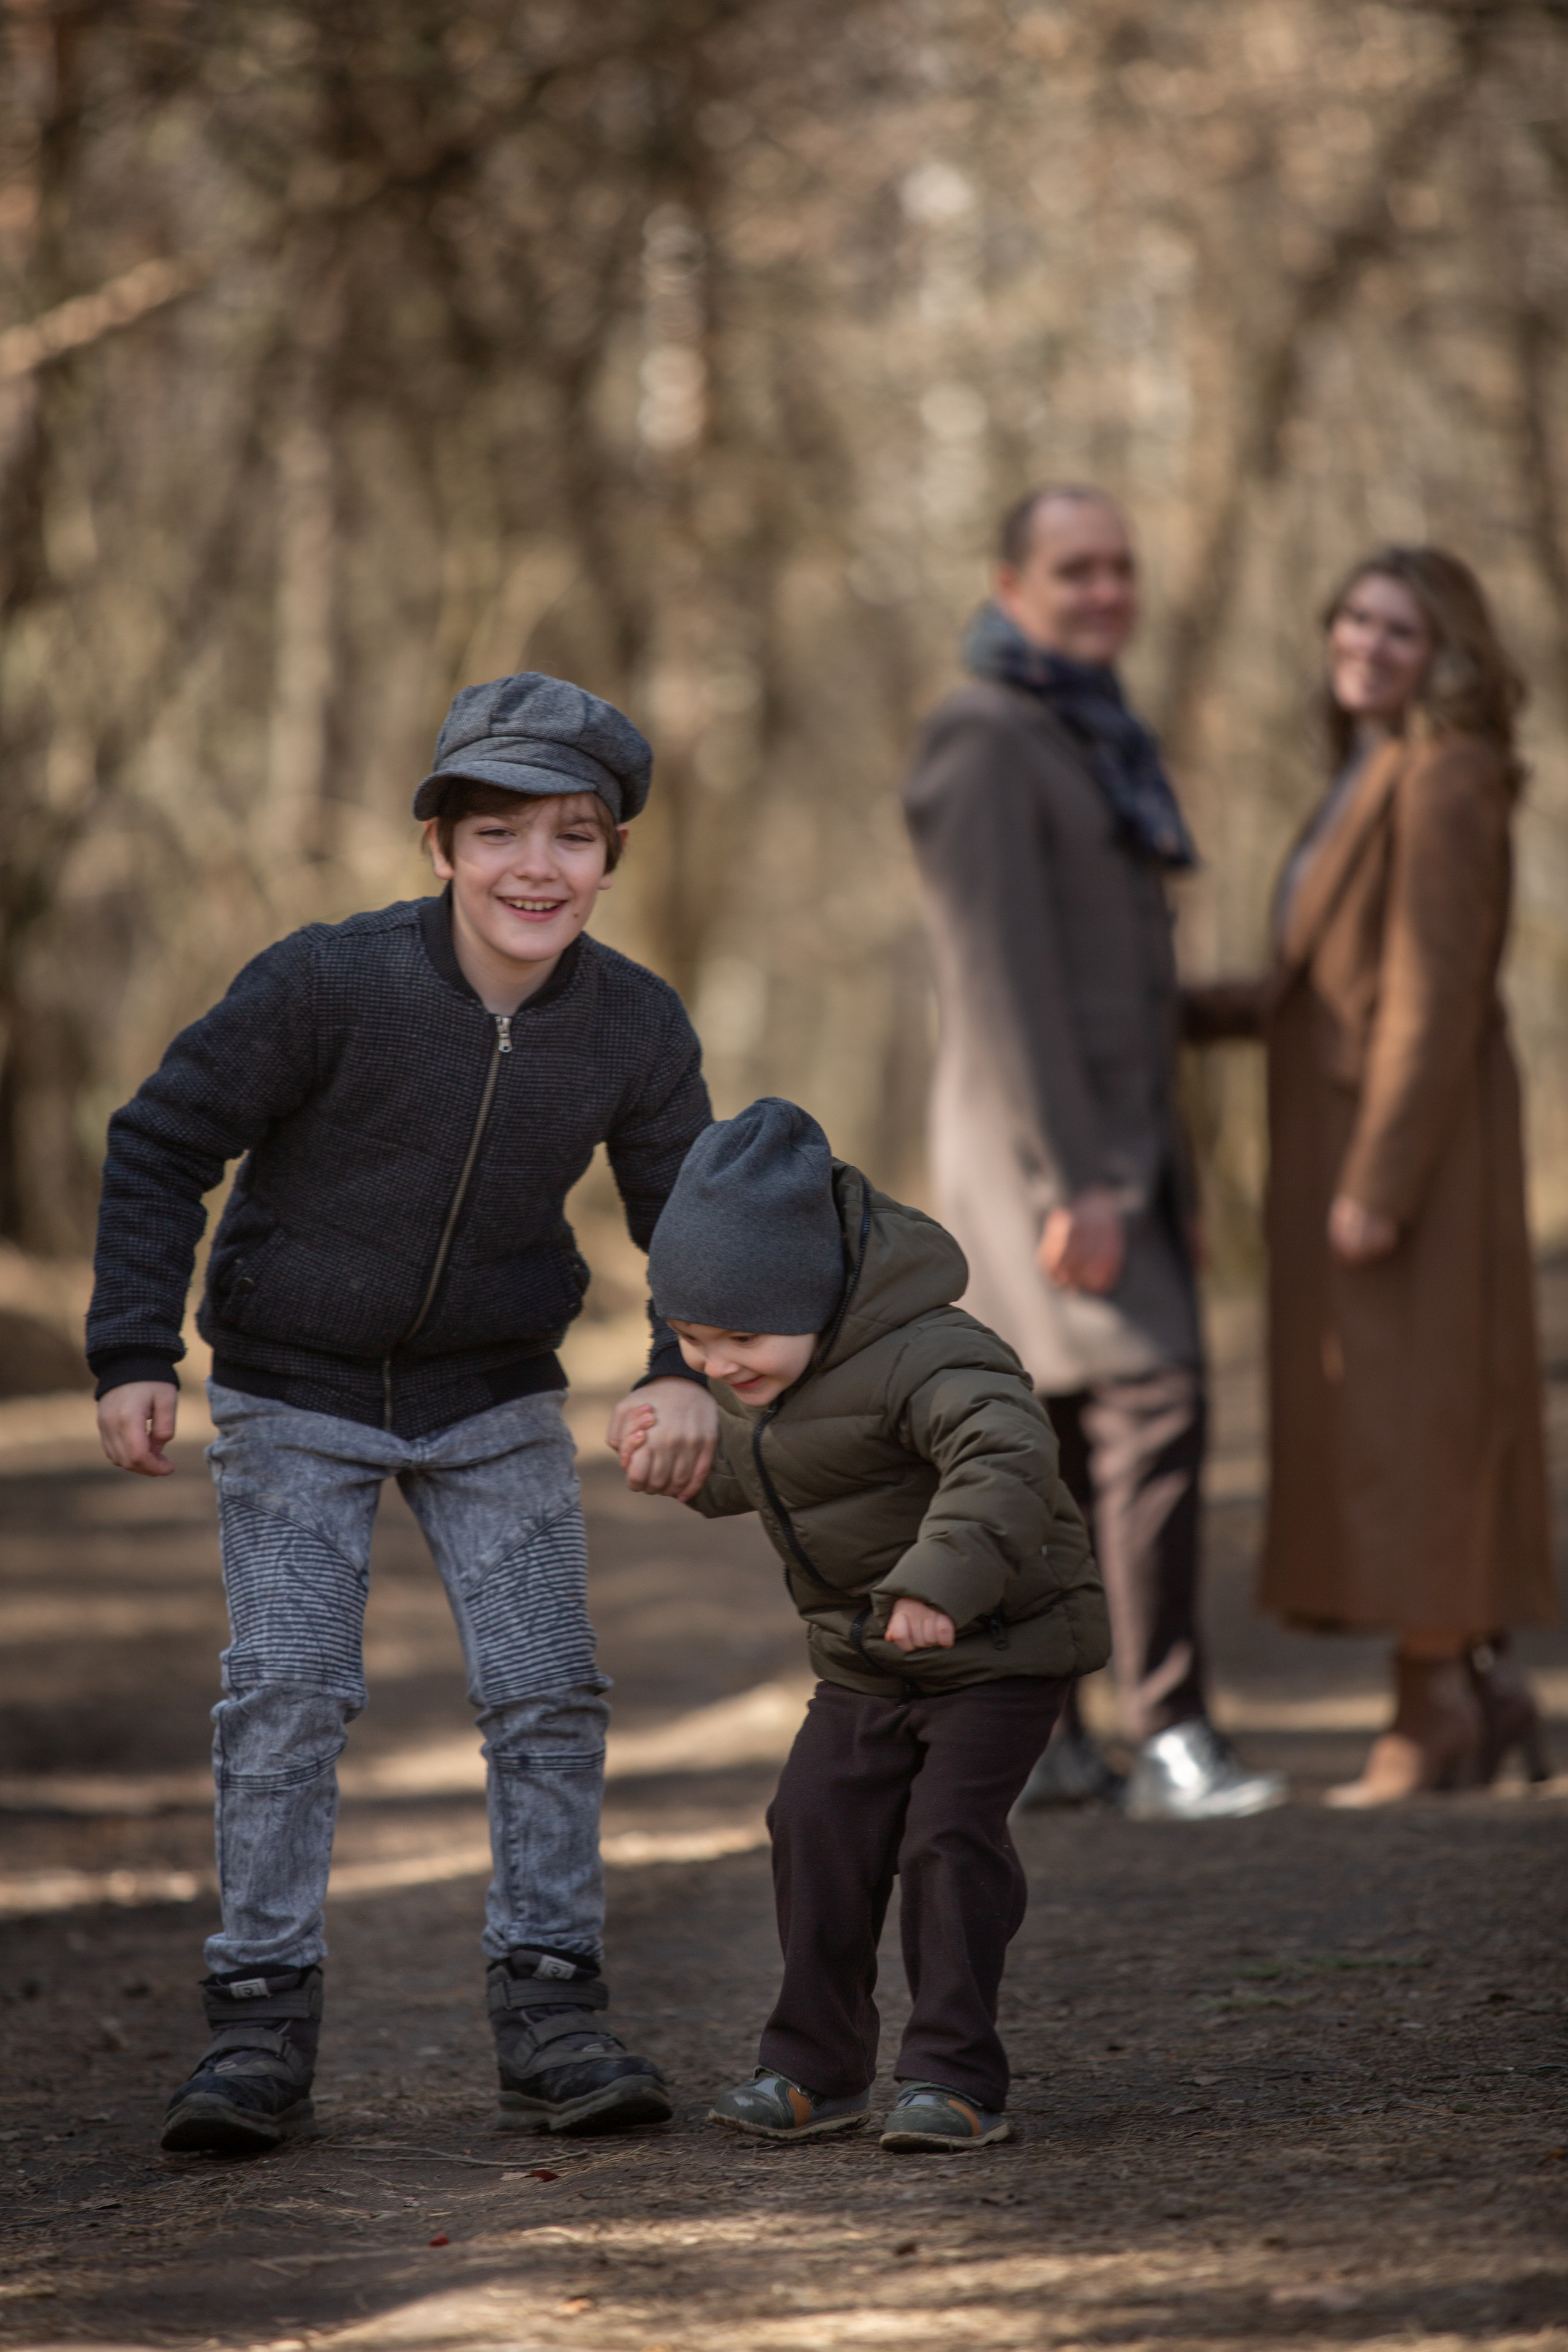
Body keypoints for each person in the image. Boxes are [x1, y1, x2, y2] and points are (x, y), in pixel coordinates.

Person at [86, 672, 721, 2154]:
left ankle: (552, 2011)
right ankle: (256, 2024)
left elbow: (690, 1213)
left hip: (492, 1390)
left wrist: (679, 1366)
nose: (534, 868)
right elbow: (161, 1140)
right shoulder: (327, 984)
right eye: (496, 833)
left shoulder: (631, 1023)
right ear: (437, 845)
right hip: (294, 1385)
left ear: (612, 857)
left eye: (572, 837)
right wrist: (132, 1350)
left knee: (547, 1691)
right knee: (290, 1690)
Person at [616, 1098, 1107, 2150]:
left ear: (814, 1295)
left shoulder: (936, 1354)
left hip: (1000, 1643)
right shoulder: (777, 1369)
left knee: (945, 1843)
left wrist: (938, 1585)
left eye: (738, 1339)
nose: (716, 1365)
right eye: (691, 1340)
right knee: (814, 1827)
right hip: (868, 1656)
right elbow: (797, 1467)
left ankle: (953, 2079)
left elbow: (1006, 1458)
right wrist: (686, 1464)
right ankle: (814, 2068)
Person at [902, 485, 1283, 1821]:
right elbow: (1001, 983)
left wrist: (1173, 1162)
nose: (1106, 591)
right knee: (1149, 1409)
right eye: (1075, 570)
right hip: (1043, 1164)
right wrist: (1079, 1183)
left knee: (1053, 1439)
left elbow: (1118, 978)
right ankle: (1169, 1734)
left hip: (1110, 1155)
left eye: (1120, 567)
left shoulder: (1084, 730)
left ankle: (1048, 1743)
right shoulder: (983, 737)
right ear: (1010, 587)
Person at [1185, 548, 1556, 1804]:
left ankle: (1432, 1704)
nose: (1365, 643)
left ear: (1446, 652)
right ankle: (1479, 1688)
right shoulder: (1367, 766)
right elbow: (1327, 981)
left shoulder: (1448, 776)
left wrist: (1382, 1181)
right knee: (1397, 1417)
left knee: (1423, 1420)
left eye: (1399, 629)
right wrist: (1186, 1008)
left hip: (1420, 1156)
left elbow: (1432, 995)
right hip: (1353, 1143)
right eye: (1352, 618)